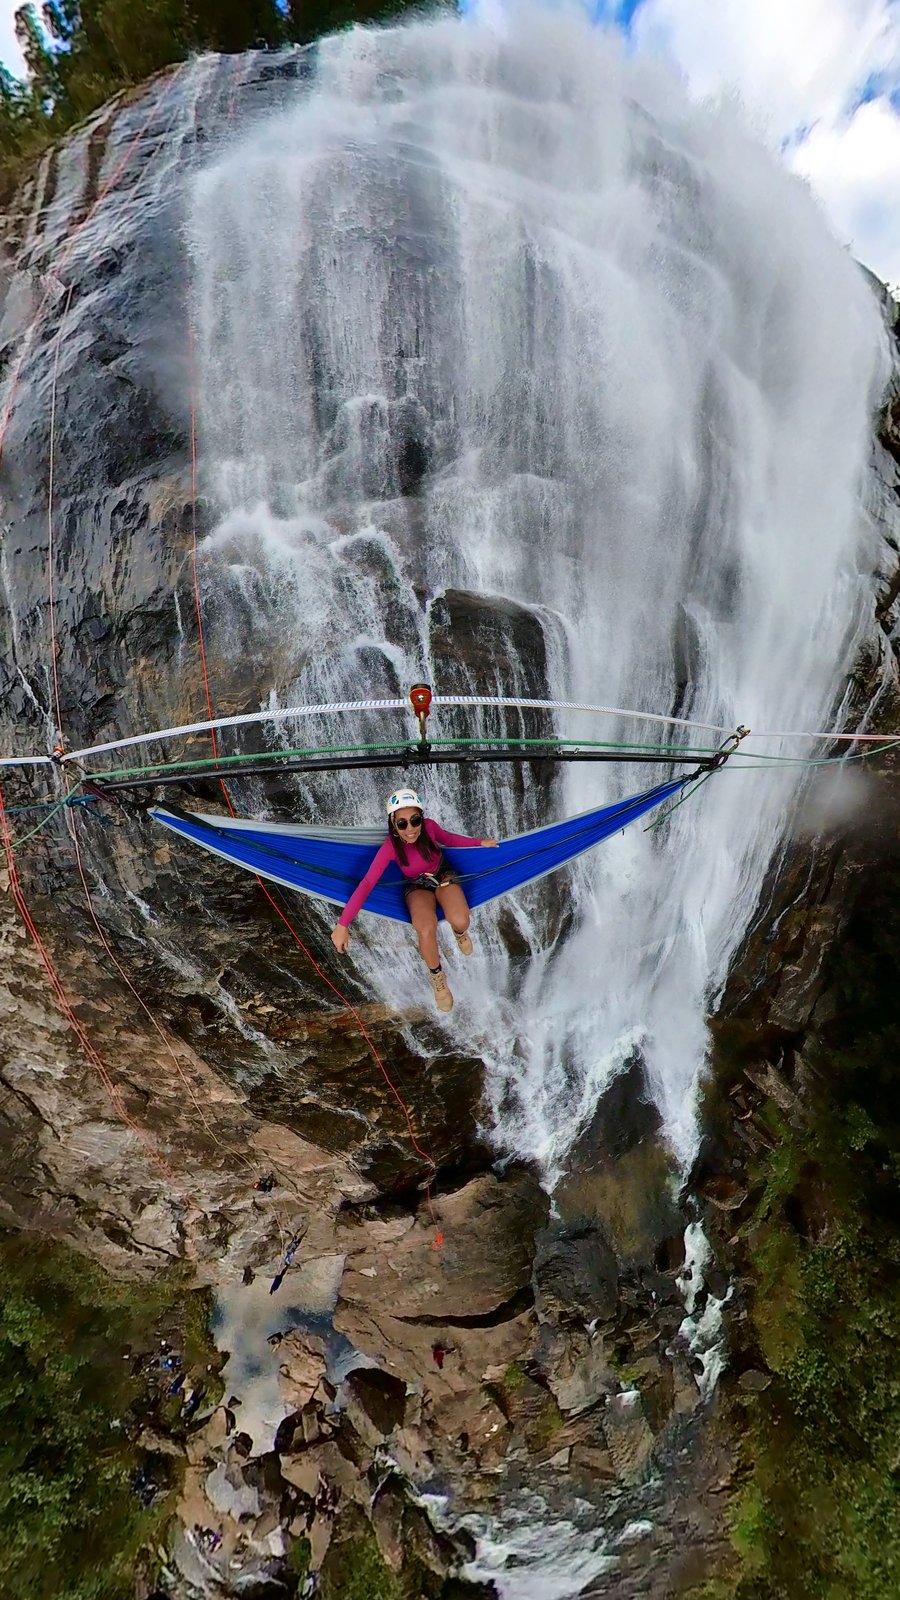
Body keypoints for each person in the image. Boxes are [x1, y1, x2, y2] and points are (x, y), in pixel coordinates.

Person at [330, 788, 497, 1013]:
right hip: (417, 887)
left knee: (459, 919)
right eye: (402, 824)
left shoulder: (430, 828)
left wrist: (479, 843)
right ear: (393, 824)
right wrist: (343, 924)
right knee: (425, 928)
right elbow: (367, 883)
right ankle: (438, 980)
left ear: (421, 818)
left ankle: (460, 933)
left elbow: (450, 839)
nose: (410, 829)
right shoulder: (390, 848)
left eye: (415, 820)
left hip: (442, 875)